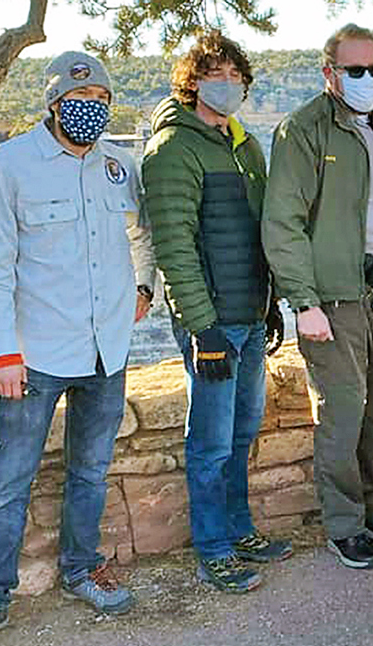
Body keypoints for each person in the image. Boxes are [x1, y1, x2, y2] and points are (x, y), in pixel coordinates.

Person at [0, 51, 154, 646]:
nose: (88, 108)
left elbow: (141, 234)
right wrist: (3, 353)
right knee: (9, 479)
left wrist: (144, 287)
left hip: (106, 350)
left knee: (91, 469)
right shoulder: (7, 164)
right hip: (36, 353)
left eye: (99, 99)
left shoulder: (119, 165)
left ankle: (81, 568)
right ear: (52, 102)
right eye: (76, 99)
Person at [261, 24, 373, 570]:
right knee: (342, 411)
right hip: (335, 294)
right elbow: (283, 221)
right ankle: (343, 524)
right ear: (330, 73)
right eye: (356, 70)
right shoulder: (305, 131)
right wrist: (303, 300)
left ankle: (371, 506)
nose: (368, 79)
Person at [141, 30, 291, 594]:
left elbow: (263, 232)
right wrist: (202, 327)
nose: (227, 84)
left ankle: (240, 528)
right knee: (208, 440)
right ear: (192, 81)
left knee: (242, 430)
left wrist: (269, 303)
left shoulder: (243, 145)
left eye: (236, 76)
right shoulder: (173, 148)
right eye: (215, 74)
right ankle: (213, 549)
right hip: (213, 322)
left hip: (251, 314)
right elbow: (174, 245)